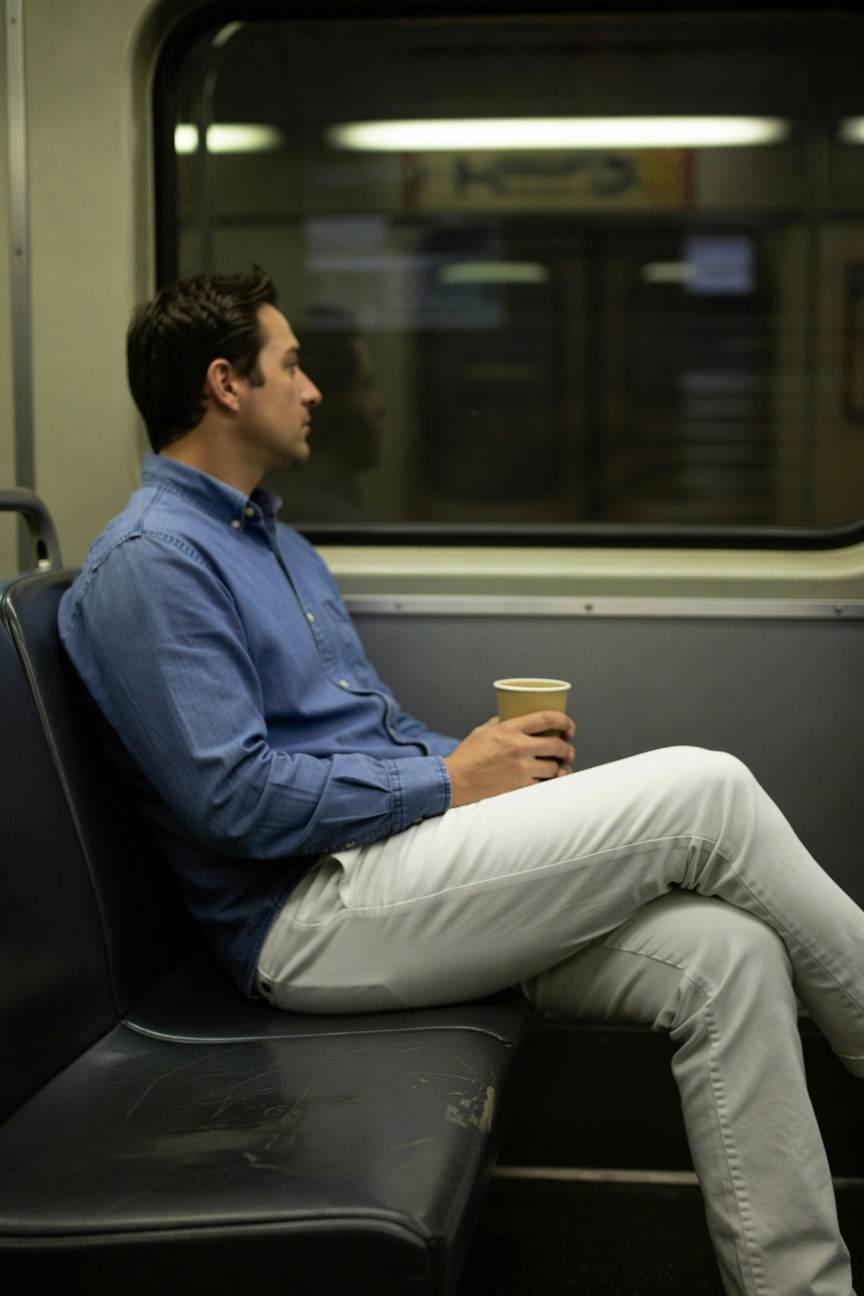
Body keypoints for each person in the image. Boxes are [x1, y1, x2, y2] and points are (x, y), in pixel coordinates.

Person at [58, 268, 864, 1296]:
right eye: (293, 364)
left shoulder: (278, 544)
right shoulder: (153, 564)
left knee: (732, 953)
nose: (314, 390)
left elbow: (368, 732)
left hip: (394, 870)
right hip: (304, 914)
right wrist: (452, 781)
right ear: (225, 383)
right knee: (708, 790)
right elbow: (234, 800)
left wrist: (481, 761)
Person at [263, 303, 385, 523]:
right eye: (365, 387)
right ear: (328, 403)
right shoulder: (314, 514)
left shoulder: (339, 499)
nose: (380, 406)